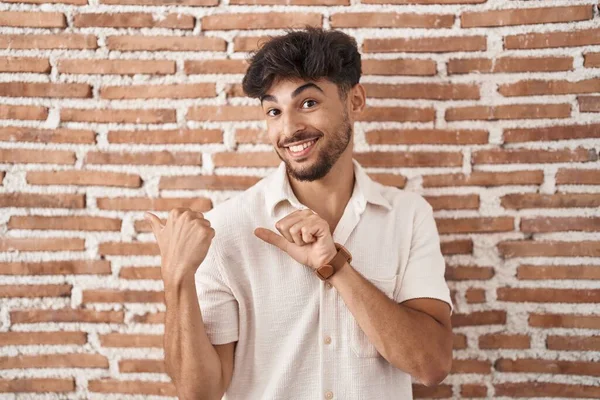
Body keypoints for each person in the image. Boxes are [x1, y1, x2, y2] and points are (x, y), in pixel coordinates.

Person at [145, 25, 454, 400]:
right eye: (274, 110)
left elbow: (432, 365)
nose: (289, 129)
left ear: (354, 100)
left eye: (308, 103)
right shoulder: (227, 227)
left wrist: (335, 267)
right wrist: (177, 279)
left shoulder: (407, 216)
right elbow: (200, 393)